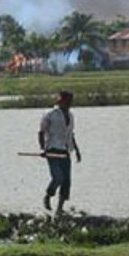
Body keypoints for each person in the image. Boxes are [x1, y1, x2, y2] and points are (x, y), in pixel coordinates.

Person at [38, 90, 81, 218]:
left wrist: (77, 150)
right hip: (52, 150)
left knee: (66, 181)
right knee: (58, 178)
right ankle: (48, 195)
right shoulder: (50, 114)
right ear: (60, 101)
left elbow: (70, 134)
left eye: (70, 102)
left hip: (65, 150)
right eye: (67, 101)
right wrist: (42, 149)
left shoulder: (71, 115)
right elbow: (41, 132)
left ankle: (59, 209)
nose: (69, 104)